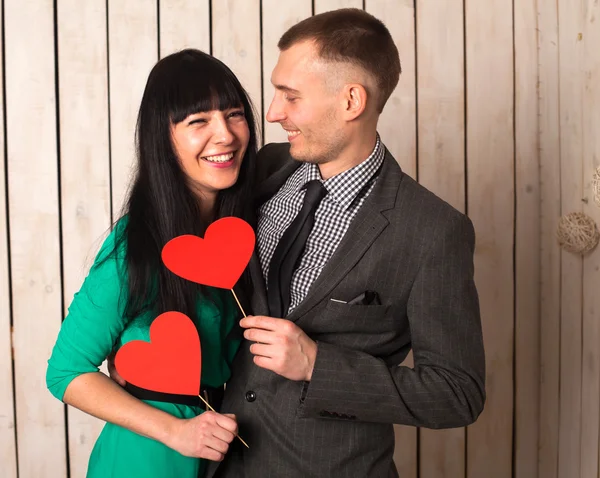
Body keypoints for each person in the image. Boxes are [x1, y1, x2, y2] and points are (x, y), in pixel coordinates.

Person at [206, 8, 486, 478]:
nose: (273, 113)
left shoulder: (432, 230)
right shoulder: (265, 168)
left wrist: (319, 365)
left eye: (290, 96)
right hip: (215, 461)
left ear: (351, 100)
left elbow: (457, 393)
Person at [46, 48, 259, 478]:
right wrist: (176, 432)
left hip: (229, 454)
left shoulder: (245, 232)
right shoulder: (136, 245)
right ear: (163, 136)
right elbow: (66, 372)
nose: (225, 135)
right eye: (198, 122)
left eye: (235, 115)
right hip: (145, 460)